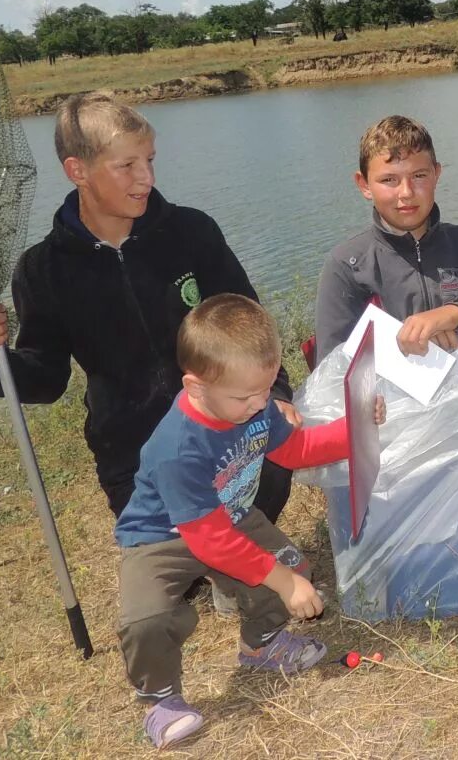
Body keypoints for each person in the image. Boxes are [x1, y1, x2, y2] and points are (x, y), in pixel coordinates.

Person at [0, 92, 296, 522]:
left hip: (233, 435)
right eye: (127, 166)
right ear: (76, 170)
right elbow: (45, 380)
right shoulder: (43, 270)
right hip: (134, 460)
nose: (146, 178)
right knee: (176, 568)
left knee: (247, 545)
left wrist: (279, 395)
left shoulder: (191, 232)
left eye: (150, 160)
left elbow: (250, 326)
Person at [114, 293, 385, 748]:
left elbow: (294, 450)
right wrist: (279, 581)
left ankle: (262, 646)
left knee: (296, 569)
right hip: (162, 537)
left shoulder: (254, 409)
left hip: (230, 515)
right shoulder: (178, 449)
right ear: (196, 387)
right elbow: (211, 542)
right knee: (147, 619)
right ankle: (161, 699)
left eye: (267, 389)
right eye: (245, 397)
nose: (261, 405)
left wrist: (354, 427)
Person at [313, 115, 458, 367]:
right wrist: (400, 347)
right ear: (364, 184)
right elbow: (331, 369)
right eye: (389, 180)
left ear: (436, 174)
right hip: (395, 405)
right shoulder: (346, 265)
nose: (406, 192)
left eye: (419, 175)